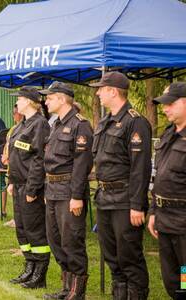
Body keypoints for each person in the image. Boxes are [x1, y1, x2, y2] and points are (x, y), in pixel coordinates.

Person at [90, 71, 151, 299]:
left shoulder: (135, 122)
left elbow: (140, 168)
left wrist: (137, 205)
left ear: (113, 91)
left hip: (125, 200)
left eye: (101, 89)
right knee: (112, 256)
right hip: (105, 199)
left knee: (129, 257)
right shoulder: (106, 122)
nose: (97, 93)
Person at [40, 82, 93, 300]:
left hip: (68, 190)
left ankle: (76, 293)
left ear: (62, 99)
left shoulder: (80, 125)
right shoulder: (56, 124)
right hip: (52, 189)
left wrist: (77, 196)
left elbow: (82, 164)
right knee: (56, 241)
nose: (45, 101)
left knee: (72, 241)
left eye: (50, 98)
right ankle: (66, 289)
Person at [7, 87, 51, 289]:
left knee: (35, 230)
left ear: (31, 102)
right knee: (23, 230)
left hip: (29, 186)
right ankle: (29, 267)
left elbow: (39, 159)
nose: (17, 103)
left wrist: (33, 189)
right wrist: (10, 181)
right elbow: (16, 156)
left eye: (21, 99)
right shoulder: (21, 125)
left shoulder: (40, 124)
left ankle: (39, 274)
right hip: (18, 184)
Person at [148, 82, 186, 299]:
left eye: (170, 104)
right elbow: (158, 177)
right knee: (171, 277)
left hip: (183, 223)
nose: (165, 108)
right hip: (164, 218)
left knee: (185, 274)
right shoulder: (168, 134)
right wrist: (153, 211)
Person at [2, 104, 23, 228]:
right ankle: (16, 218)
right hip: (11, 165)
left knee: (18, 195)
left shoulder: (23, 128)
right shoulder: (13, 129)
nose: (13, 116)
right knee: (13, 194)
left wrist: (8, 156)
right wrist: (5, 155)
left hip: (18, 166)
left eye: (14, 113)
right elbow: (7, 145)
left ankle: (19, 219)